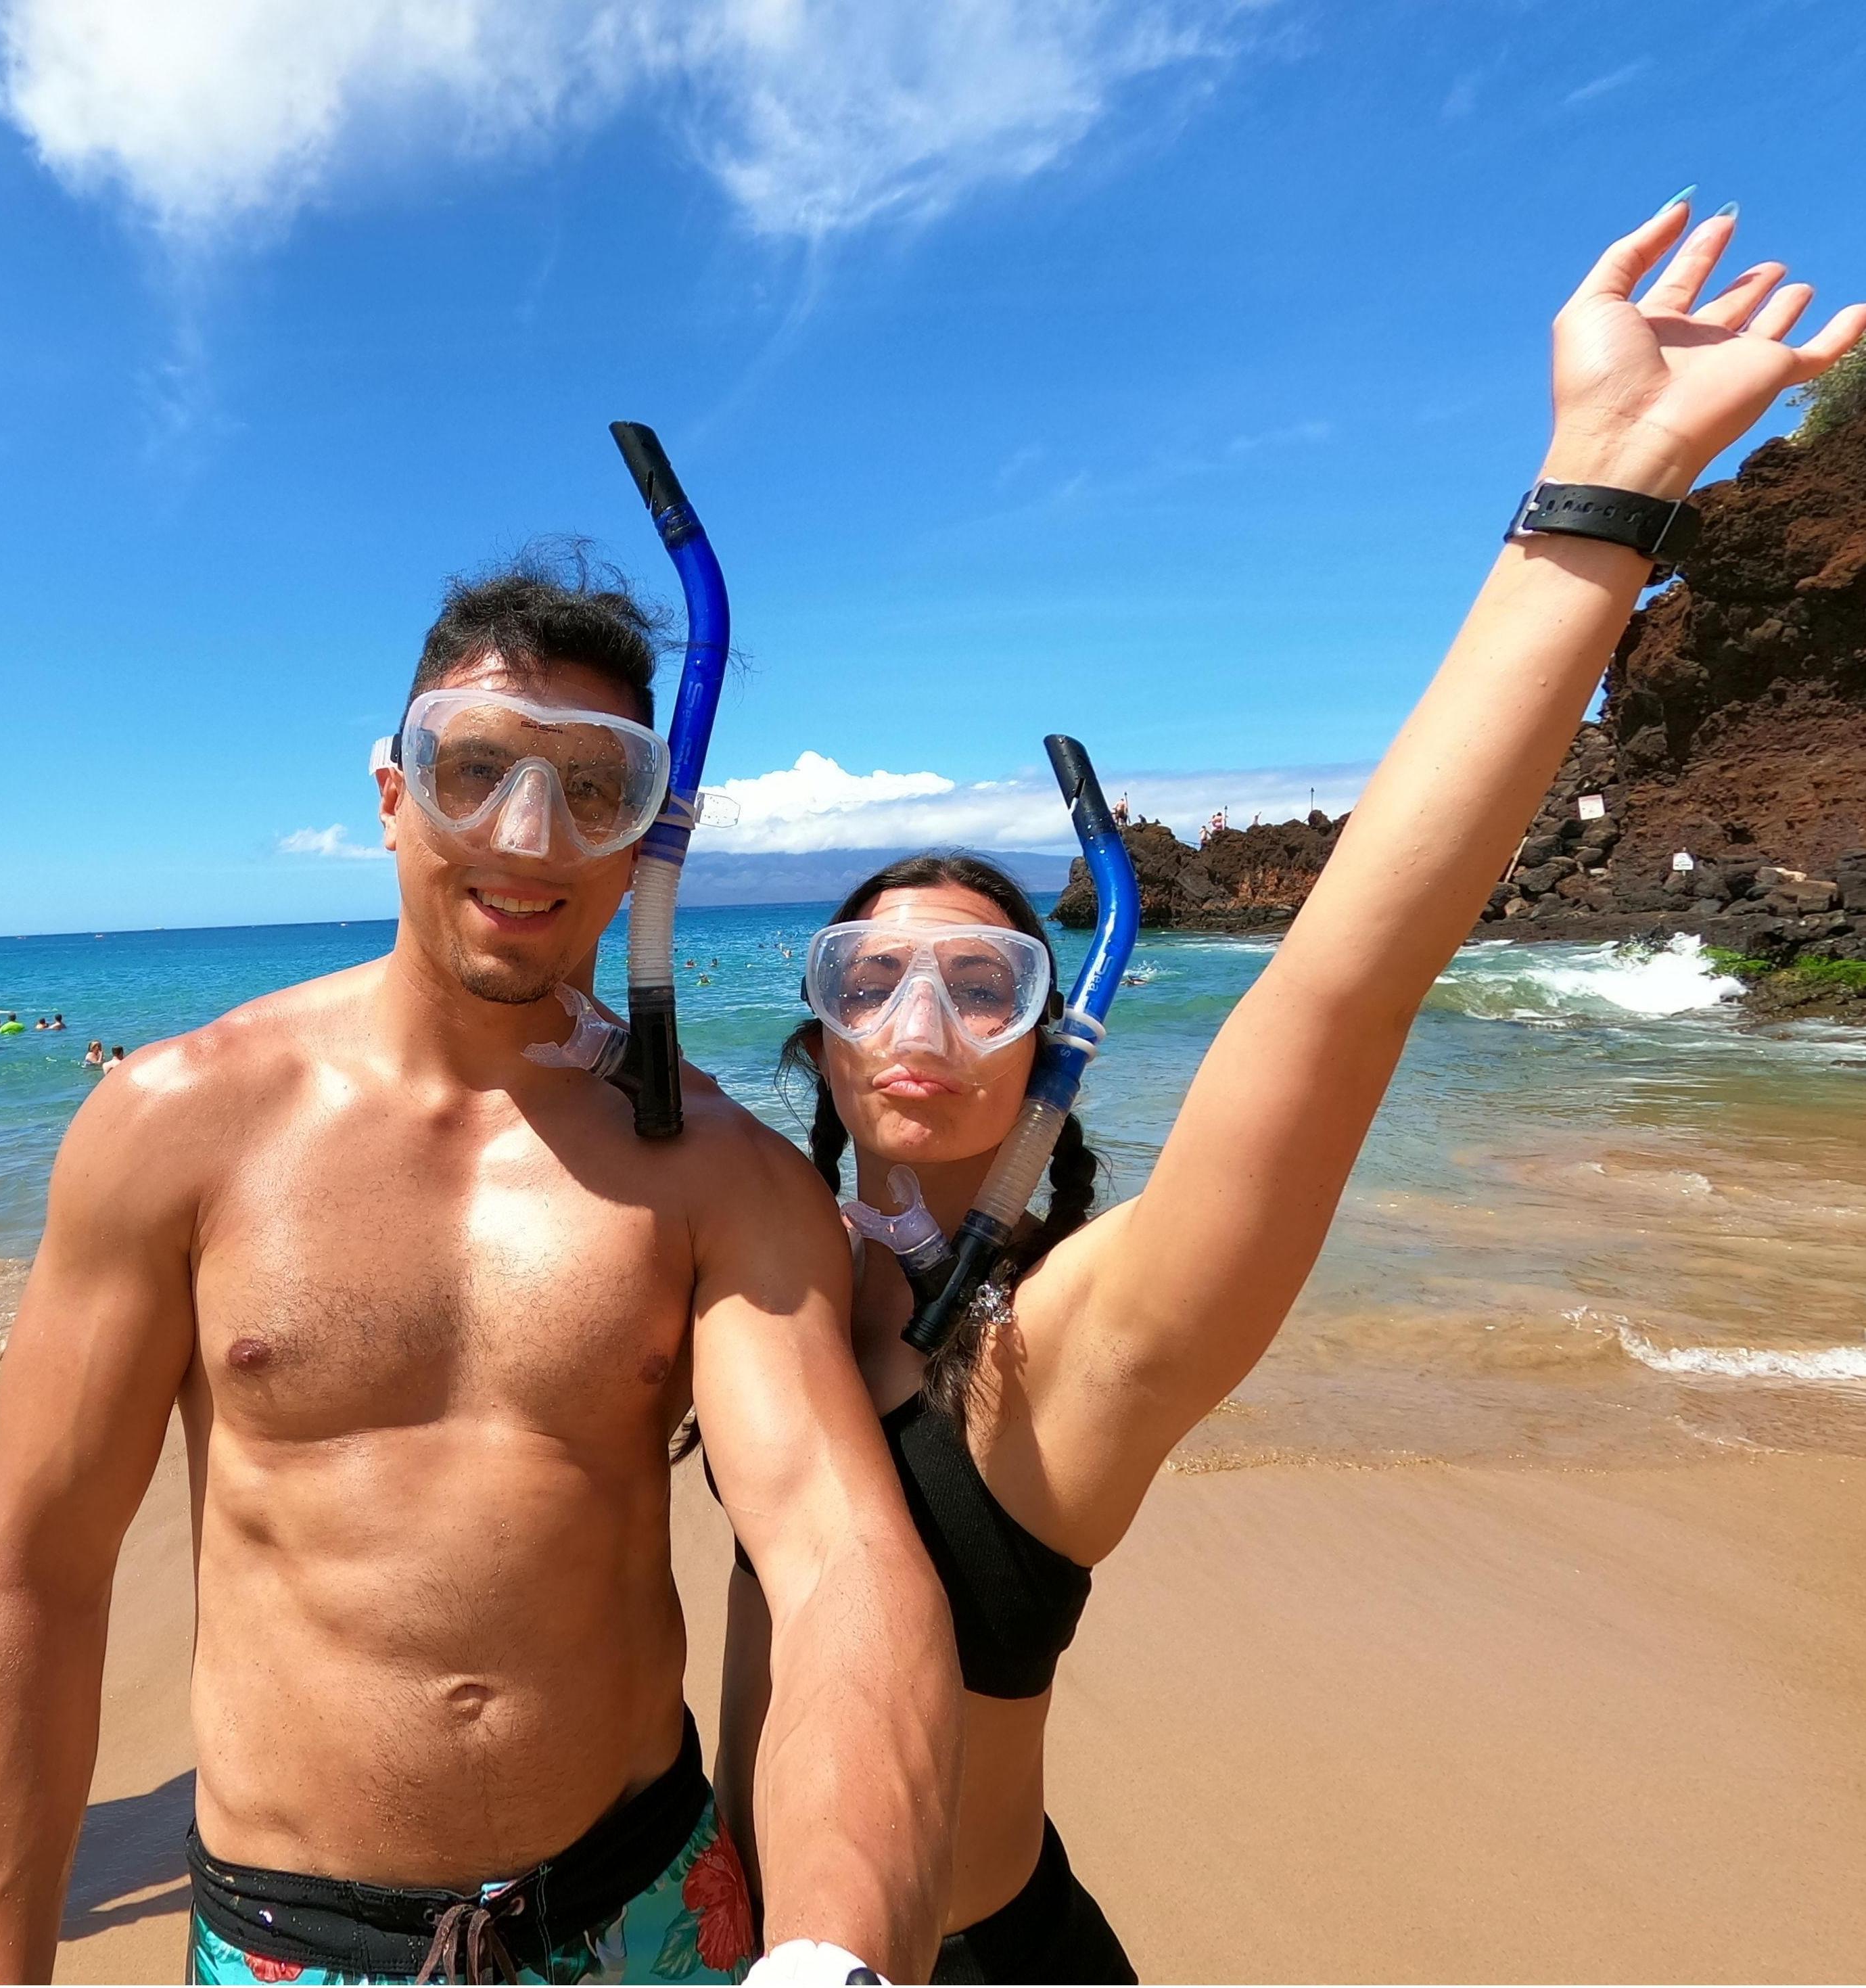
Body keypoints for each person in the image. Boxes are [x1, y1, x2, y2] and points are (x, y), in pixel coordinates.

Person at [714, 200, 1866, 1982]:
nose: (920, 1013)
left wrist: (1594, 494)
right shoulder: (755, 1268)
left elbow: (1343, 978)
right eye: (866, 977)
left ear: (1051, 1038)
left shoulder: (1068, 1336)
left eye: (983, 975)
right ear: (817, 1041)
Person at [0, 557, 960, 1983]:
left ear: (655, 827)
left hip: (651, 1912)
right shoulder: (177, 1127)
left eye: (592, 787)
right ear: (391, 792)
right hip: (293, 1943)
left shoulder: (722, 1171)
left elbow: (844, 1561)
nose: (529, 838)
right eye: (474, 769)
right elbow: (38, 1588)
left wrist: (833, 1947)